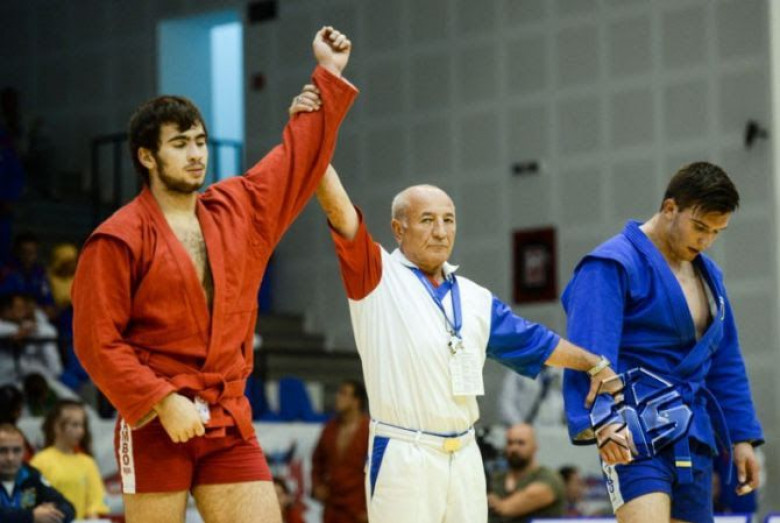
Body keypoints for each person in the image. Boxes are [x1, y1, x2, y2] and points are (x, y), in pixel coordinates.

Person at [287, 99, 624, 521]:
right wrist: (311, 131)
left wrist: (592, 363)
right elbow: (338, 208)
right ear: (398, 229)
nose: (441, 231)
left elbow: (534, 341)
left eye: (449, 220)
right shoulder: (376, 277)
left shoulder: (474, 296)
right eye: (427, 220)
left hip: (465, 454)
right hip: (405, 453)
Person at [71, 26, 356, 523]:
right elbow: (98, 342)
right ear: (147, 156)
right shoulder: (116, 238)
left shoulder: (235, 209)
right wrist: (163, 401)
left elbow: (294, 162)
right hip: (155, 422)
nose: (197, 154)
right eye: (180, 144)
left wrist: (327, 73)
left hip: (227, 418)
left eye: (200, 142)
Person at [561, 162, 764, 523]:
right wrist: (604, 422)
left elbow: (726, 361)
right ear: (670, 208)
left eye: (716, 232)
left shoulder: (710, 276)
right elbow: (588, 355)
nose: (705, 241)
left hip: (694, 432)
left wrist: (741, 437)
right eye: (699, 227)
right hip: (633, 430)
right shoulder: (611, 264)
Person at [30, 400, 108, 520]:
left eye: (82, 425)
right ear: (57, 427)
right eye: (75, 425)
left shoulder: (88, 462)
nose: (81, 431)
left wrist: (93, 518)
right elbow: (28, 500)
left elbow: (96, 501)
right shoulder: (39, 461)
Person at [311, 380, 369, 523]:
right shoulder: (330, 428)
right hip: (332, 506)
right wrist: (317, 485)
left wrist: (371, 507)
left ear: (356, 401)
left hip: (358, 507)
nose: (337, 397)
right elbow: (317, 461)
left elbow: (381, 471)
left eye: (343, 393)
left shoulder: (369, 430)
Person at [487, 424, 564, 522]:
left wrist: (491, 503)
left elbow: (508, 507)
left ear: (535, 447)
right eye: (510, 443)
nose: (514, 448)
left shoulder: (548, 477)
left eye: (521, 443)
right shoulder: (496, 479)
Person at [0, 423, 76, 523]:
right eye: (3, 451)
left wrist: (49, 514)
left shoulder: (30, 476)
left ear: (24, 452)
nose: (10, 458)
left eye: (16, 450)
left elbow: (67, 507)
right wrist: (31, 516)